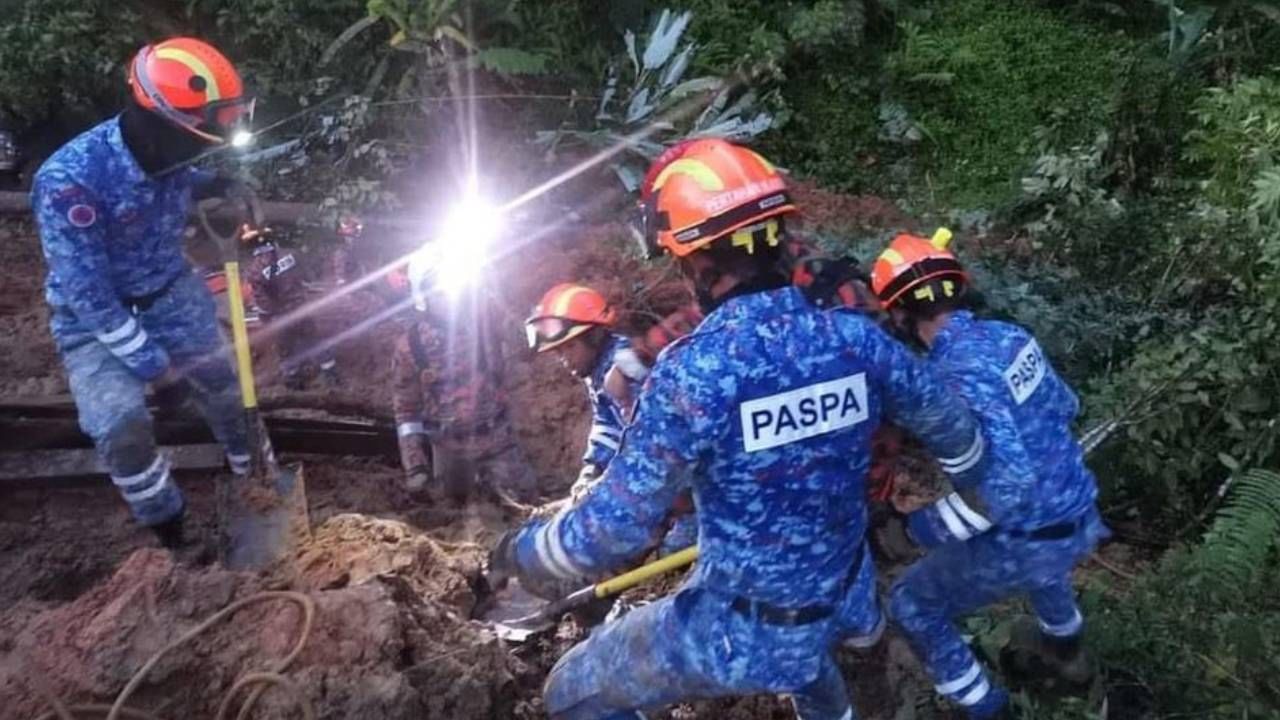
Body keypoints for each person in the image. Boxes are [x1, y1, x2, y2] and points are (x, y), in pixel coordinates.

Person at [488, 140, 989, 720]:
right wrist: (945, 520)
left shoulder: (694, 373)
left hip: (745, 630)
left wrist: (522, 550)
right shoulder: (858, 340)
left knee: (571, 693)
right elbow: (958, 432)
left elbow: (613, 533)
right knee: (812, 661)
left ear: (695, 261)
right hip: (850, 594)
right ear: (778, 236)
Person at [869, 231, 1109, 719]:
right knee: (1047, 567)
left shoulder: (955, 374)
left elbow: (1004, 487)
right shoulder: (1010, 337)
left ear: (897, 316)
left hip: (1029, 537)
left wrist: (911, 531)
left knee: (913, 603)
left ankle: (987, 709)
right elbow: (1066, 404)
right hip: (1081, 514)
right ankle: (1069, 657)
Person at [30, 37, 256, 548]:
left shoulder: (167, 151)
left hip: (170, 291)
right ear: (156, 122)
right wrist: (156, 366)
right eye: (198, 138)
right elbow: (91, 299)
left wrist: (218, 186)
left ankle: (254, 478)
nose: (204, 147)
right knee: (119, 426)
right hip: (93, 320)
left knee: (228, 385)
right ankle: (171, 530)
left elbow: (180, 178)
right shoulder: (70, 182)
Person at [525, 283, 698, 554]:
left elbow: (664, 449)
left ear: (592, 337)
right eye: (557, 352)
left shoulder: (630, 367)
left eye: (567, 348)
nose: (562, 359)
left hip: (690, 498)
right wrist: (592, 469)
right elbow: (607, 424)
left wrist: (606, 489)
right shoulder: (597, 371)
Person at [391, 246, 538, 503]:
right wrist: (415, 466)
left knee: (524, 504)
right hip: (449, 448)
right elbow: (406, 408)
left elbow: (527, 349)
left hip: (498, 441)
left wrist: (502, 301)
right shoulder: (410, 345)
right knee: (457, 510)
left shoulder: (486, 314)